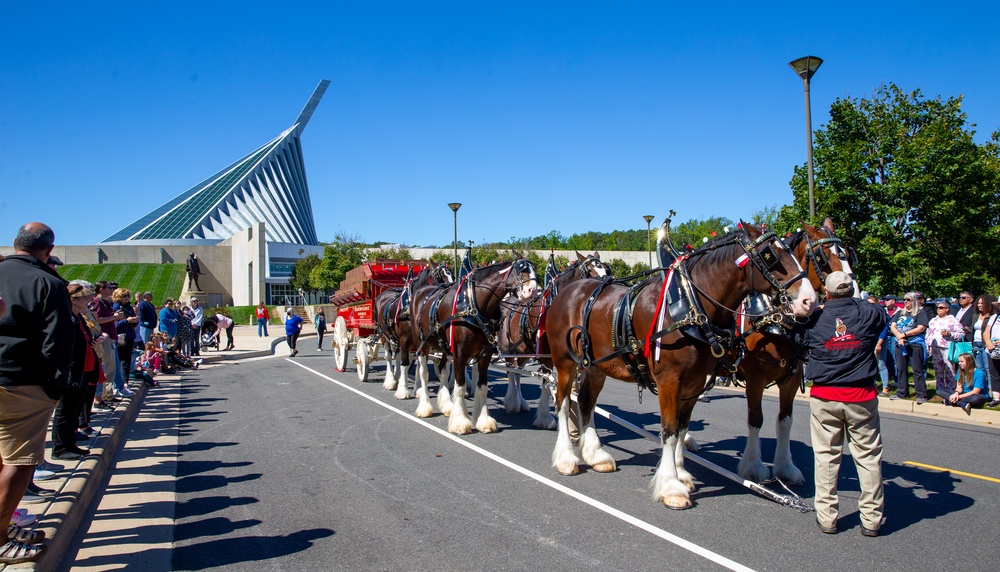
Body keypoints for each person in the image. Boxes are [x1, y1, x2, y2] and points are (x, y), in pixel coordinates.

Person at [0, 222, 75, 563]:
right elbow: (57, 341)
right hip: (22, 383)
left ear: (15, 243)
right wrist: (55, 388)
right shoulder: (47, 282)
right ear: (48, 250)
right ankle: (0, 536)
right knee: (19, 461)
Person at [798, 271, 887, 537]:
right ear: (852, 292)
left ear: (826, 293)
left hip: (825, 396)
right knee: (869, 458)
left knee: (826, 457)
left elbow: (801, 339)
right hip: (861, 395)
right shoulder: (867, 313)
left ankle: (827, 517)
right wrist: (857, 301)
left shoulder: (816, 318)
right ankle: (871, 519)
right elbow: (881, 314)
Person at [55, 283, 100, 461]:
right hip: (73, 369)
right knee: (66, 409)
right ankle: (60, 447)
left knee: (74, 407)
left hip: (84, 366)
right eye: (84, 298)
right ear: (74, 300)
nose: (88, 300)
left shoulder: (78, 317)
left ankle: (70, 443)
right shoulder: (68, 317)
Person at [889, 292, 929, 403]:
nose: (906, 302)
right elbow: (893, 325)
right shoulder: (900, 313)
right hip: (900, 343)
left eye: (908, 299)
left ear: (914, 301)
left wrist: (905, 335)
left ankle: (921, 394)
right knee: (901, 368)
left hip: (914, 344)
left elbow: (921, 327)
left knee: (917, 369)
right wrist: (899, 336)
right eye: (904, 299)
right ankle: (902, 392)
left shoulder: (920, 313)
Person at [926, 300, 965, 395]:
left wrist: (949, 334)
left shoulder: (952, 320)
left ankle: (951, 391)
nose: (939, 309)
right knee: (938, 370)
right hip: (935, 348)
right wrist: (928, 345)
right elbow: (928, 333)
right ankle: (940, 391)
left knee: (950, 370)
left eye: (941, 307)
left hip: (948, 348)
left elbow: (961, 333)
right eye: (938, 308)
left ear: (947, 309)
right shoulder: (933, 320)